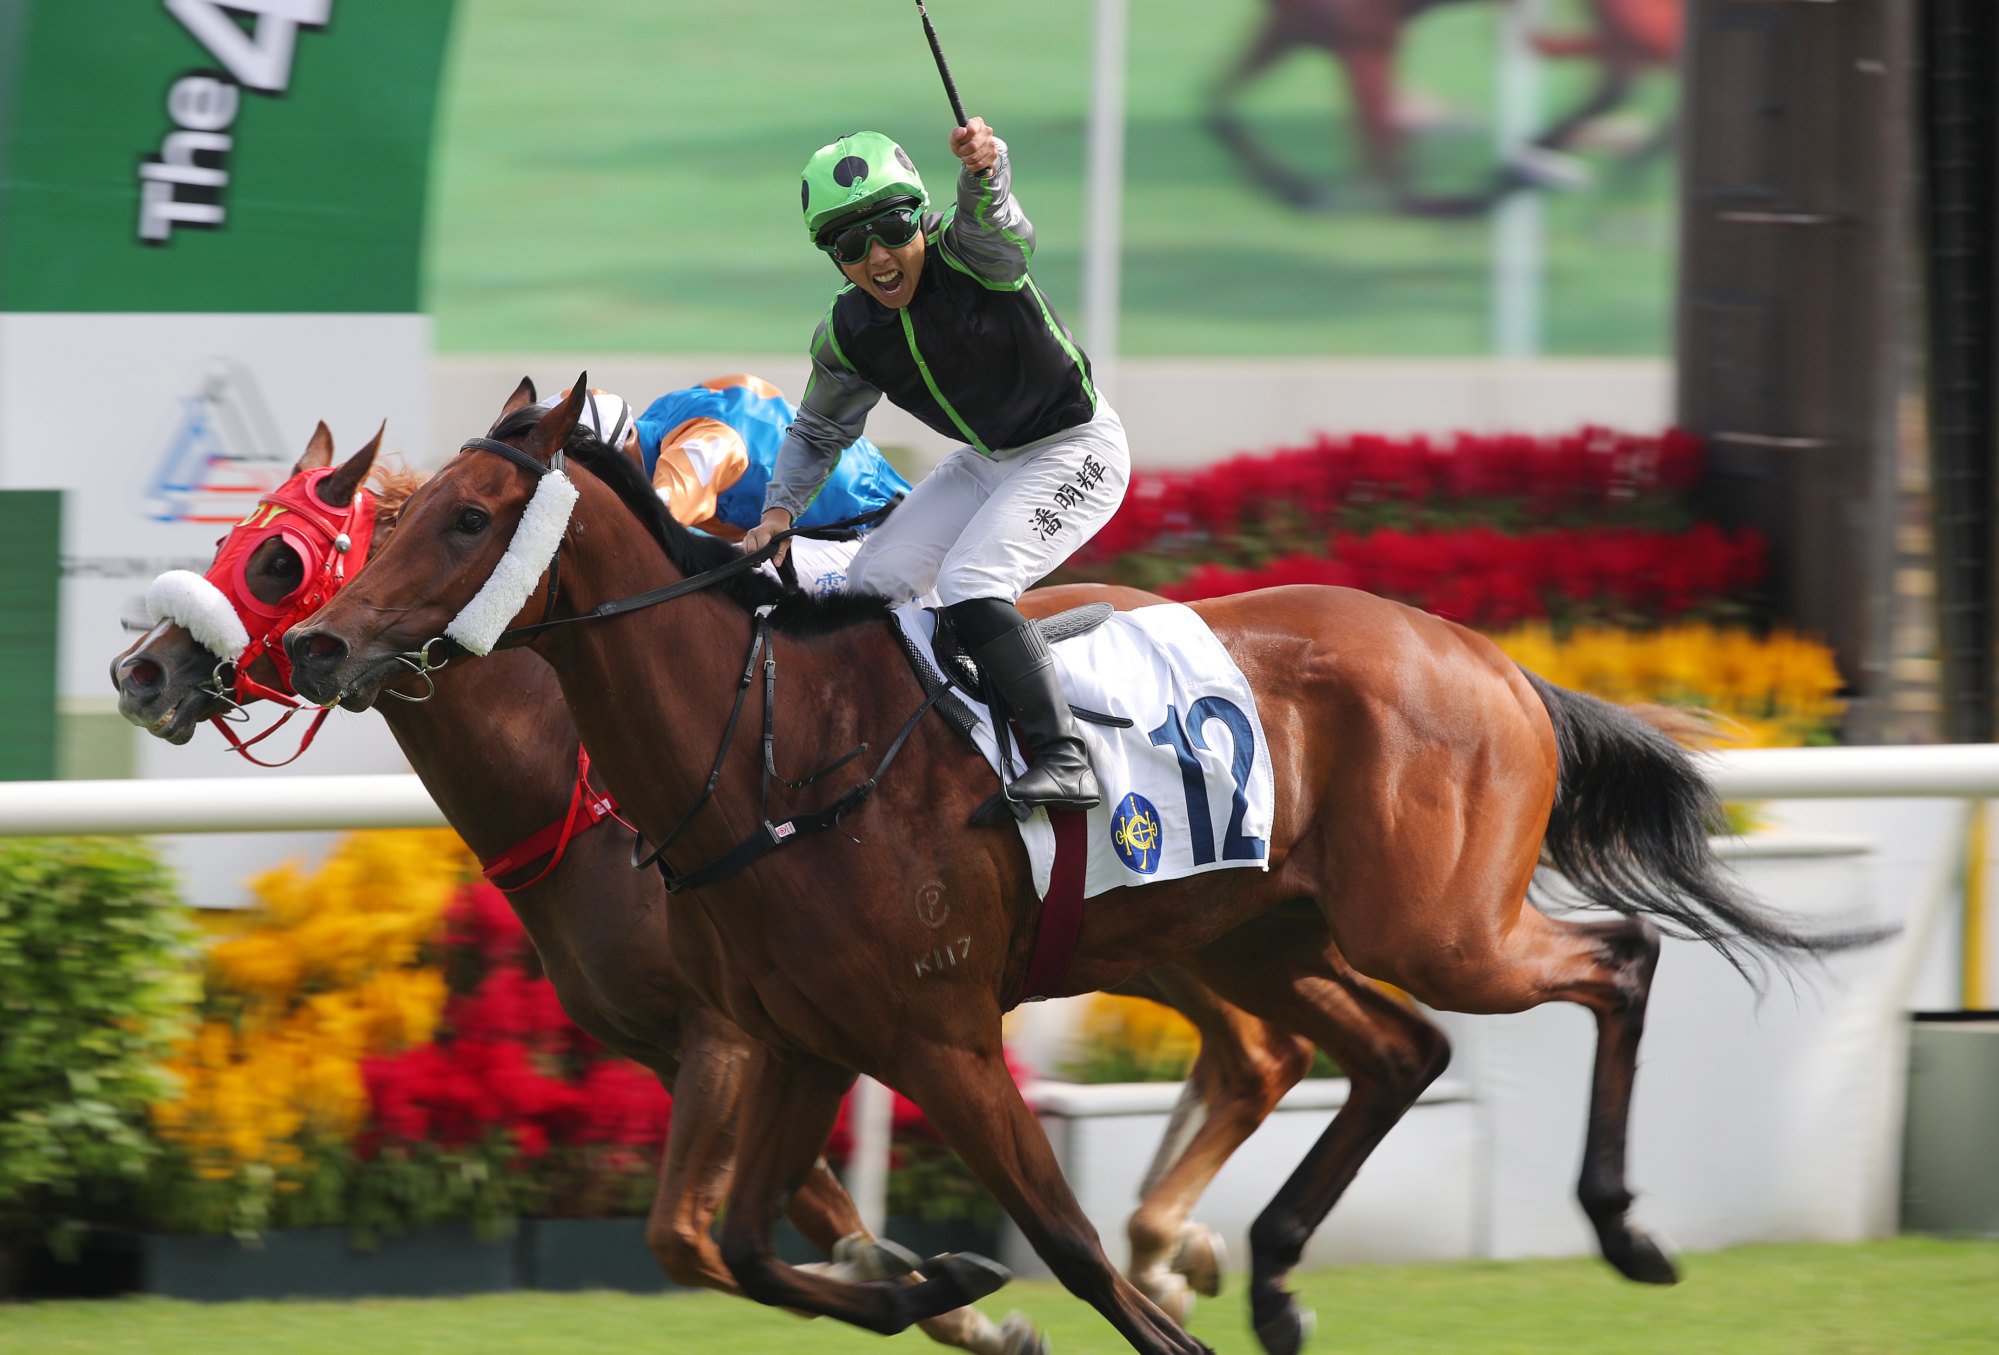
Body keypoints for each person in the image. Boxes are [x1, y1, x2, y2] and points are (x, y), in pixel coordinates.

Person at [741, 119, 1130, 811]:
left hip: (1076, 446)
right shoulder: (848, 333)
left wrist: (986, 165)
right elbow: (819, 428)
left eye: (892, 228)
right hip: (990, 460)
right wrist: (775, 516)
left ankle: (1064, 755)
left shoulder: (975, 253)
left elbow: (998, 218)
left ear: (923, 216)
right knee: (871, 583)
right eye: (849, 244)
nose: (878, 256)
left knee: (971, 581)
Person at [536, 376, 910, 596]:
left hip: (873, 535)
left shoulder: (693, 452)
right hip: (839, 520)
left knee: (723, 590)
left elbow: (650, 528)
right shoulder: (659, 420)